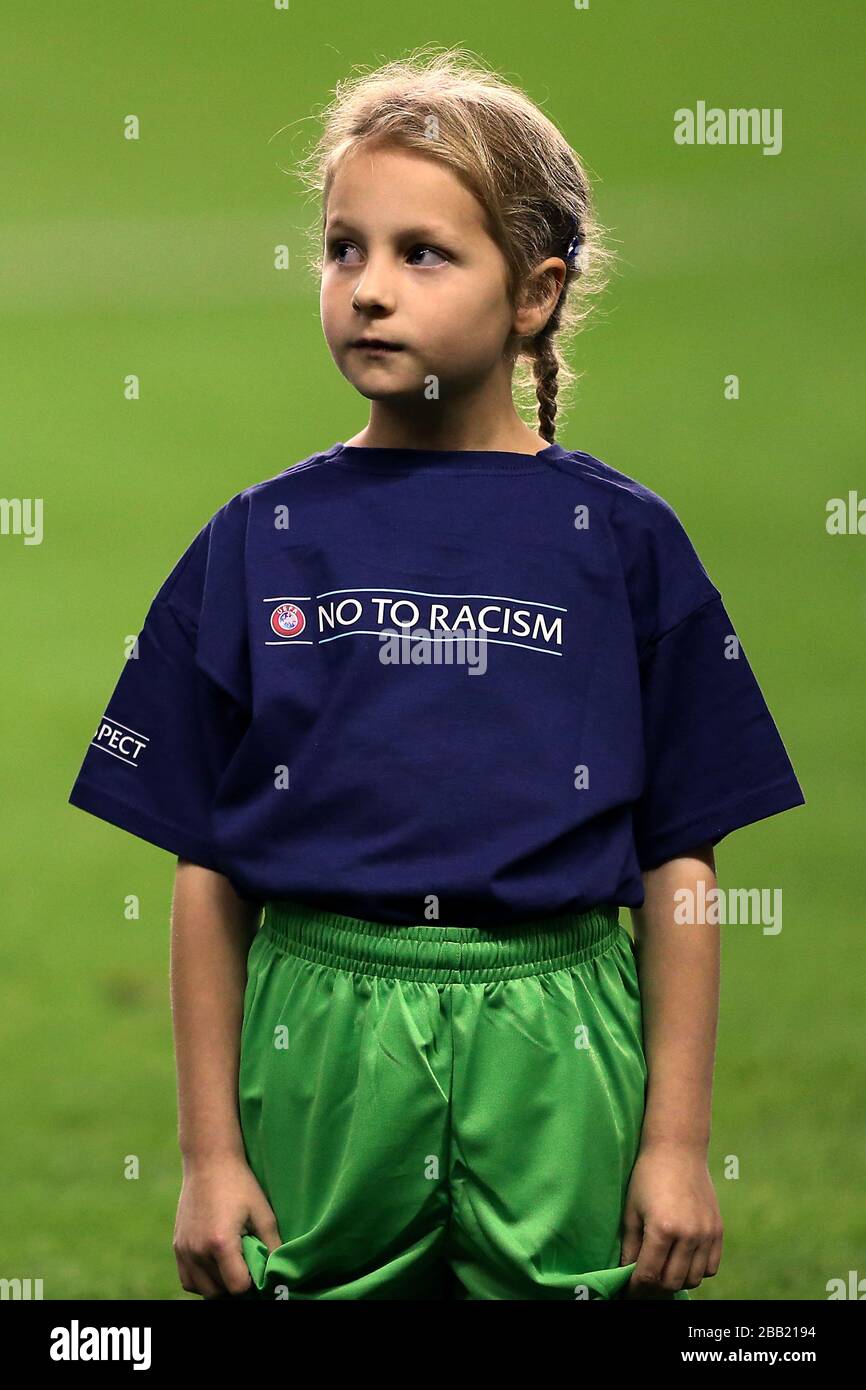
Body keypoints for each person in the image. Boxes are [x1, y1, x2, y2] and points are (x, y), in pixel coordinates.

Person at [67, 47, 805, 1301]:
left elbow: (682, 859)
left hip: (558, 1037)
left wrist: (675, 1144)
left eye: (422, 253)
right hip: (321, 1040)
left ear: (534, 295)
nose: (367, 289)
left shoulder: (624, 545)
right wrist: (206, 1154)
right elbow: (202, 859)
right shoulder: (256, 538)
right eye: (343, 247)